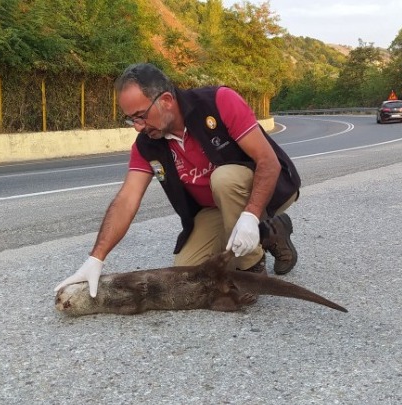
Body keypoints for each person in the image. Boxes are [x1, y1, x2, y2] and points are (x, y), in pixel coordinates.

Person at [54, 63, 301, 297]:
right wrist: (96, 258)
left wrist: (250, 215)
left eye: (141, 116)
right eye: (131, 119)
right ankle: (270, 232)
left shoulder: (218, 102)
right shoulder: (147, 146)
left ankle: (253, 268)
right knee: (187, 272)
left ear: (166, 101)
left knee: (224, 179)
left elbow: (268, 161)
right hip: (213, 208)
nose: (137, 127)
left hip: (266, 190)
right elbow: (127, 198)